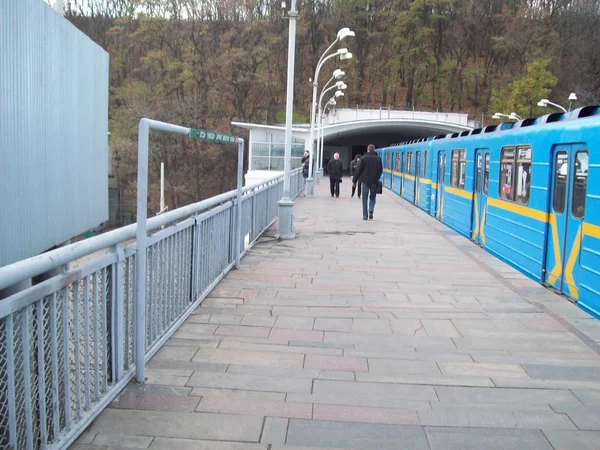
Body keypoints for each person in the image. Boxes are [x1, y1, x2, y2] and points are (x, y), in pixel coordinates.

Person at [352, 144, 383, 220]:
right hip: (374, 182)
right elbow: (380, 170)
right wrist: (377, 177)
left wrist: (354, 181)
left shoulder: (363, 158)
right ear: (374, 150)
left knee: (364, 198)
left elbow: (358, 170)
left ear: (367, 150)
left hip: (365, 181)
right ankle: (371, 211)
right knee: (372, 197)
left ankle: (365, 216)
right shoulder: (378, 159)